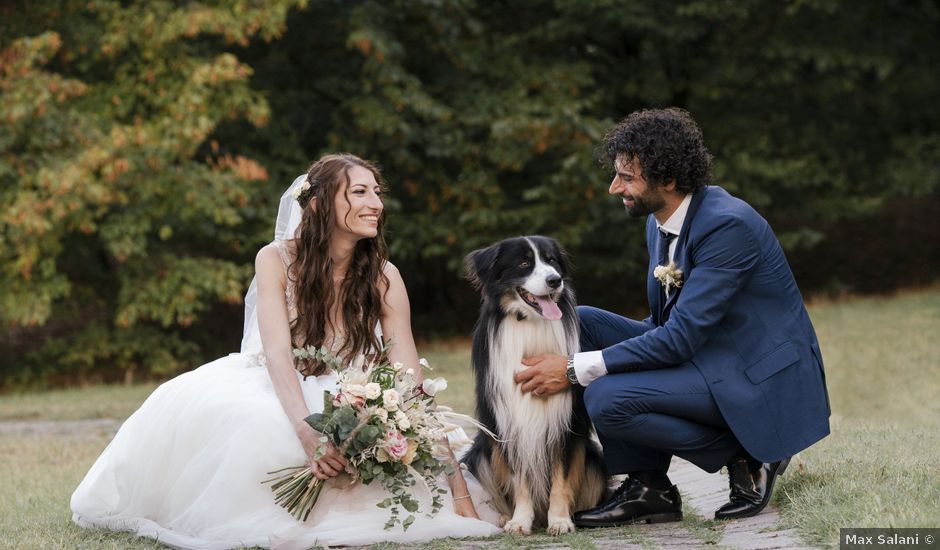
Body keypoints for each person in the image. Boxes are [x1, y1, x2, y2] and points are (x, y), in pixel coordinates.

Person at [71, 153, 501, 548]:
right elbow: (278, 354)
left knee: (393, 439)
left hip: (353, 387)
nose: (376, 203)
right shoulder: (275, 259)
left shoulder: (385, 276)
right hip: (276, 381)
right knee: (258, 426)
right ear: (317, 204)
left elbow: (410, 380)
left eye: (376, 192)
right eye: (359, 192)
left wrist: (458, 491)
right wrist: (308, 432)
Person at [514, 108, 831, 525]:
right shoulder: (660, 221)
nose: (614, 188)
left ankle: (749, 452)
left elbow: (679, 338)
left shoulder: (727, 226)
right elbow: (666, 323)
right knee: (581, 320)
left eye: (626, 178)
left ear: (667, 180)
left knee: (606, 398)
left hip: (757, 375)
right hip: (708, 354)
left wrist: (573, 369)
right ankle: (651, 489)